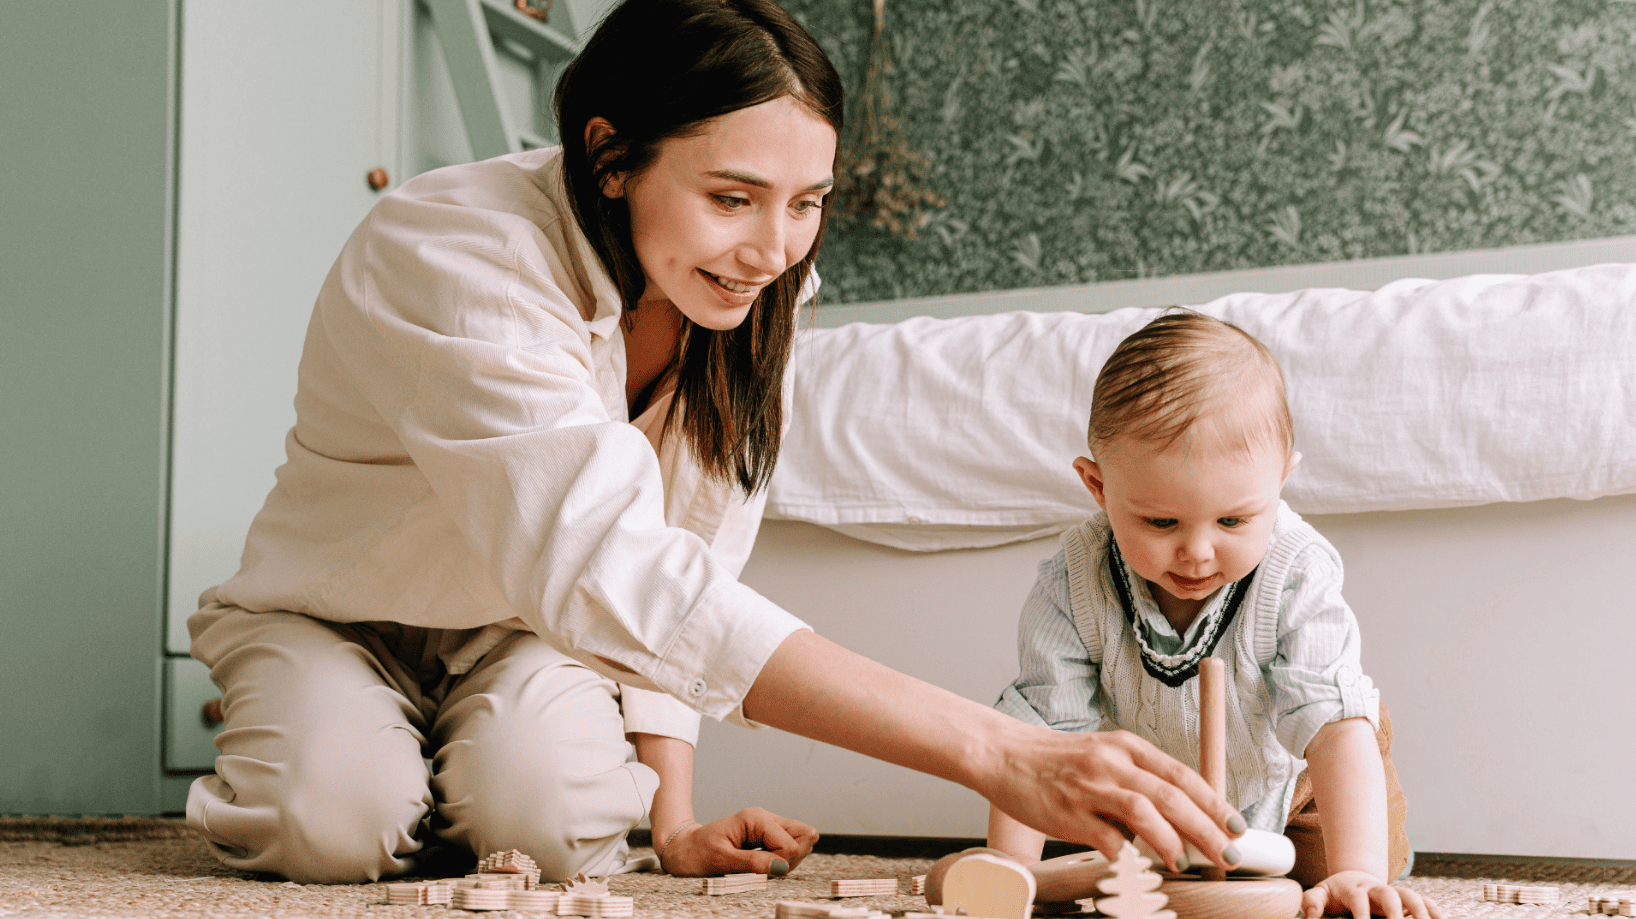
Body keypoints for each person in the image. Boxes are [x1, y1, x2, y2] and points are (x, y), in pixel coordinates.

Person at [185, 0, 1247, 887]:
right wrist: (999, 747)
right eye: (732, 198)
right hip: (334, 613)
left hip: (521, 631)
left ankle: (454, 768)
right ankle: (334, 735)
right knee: (330, 820)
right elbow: (610, 565)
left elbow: (684, 554)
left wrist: (674, 819)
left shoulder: (756, 291)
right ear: (609, 156)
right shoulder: (453, 252)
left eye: (806, 205)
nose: (773, 251)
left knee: (555, 831)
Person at [986, 311, 1441, 919]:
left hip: (1296, 776)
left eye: (1232, 521)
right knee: (1114, 866)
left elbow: (1331, 728)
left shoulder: (1297, 569)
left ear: (1281, 481)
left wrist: (1356, 872)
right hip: (1156, 791)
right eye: (1161, 522)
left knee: (1334, 880)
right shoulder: (1074, 581)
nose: (1197, 552)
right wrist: (1011, 879)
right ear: (1098, 488)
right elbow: (1037, 740)